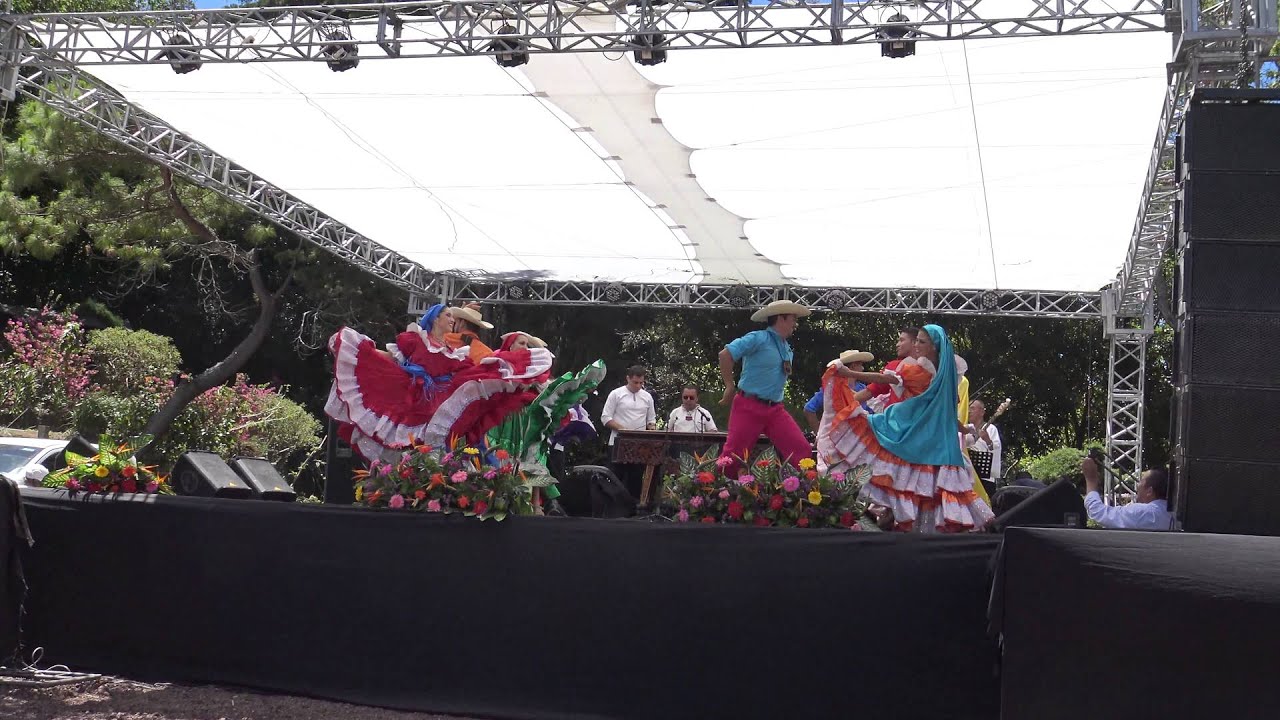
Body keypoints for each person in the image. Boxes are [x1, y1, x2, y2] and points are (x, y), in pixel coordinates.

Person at [817, 325, 993, 532]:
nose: (916, 345)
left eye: (921, 342)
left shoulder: (919, 371)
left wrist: (847, 372)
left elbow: (886, 379)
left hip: (911, 435)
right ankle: (920, 529)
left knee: (904, 481)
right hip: (934, 443)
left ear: (934, 347)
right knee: (924, 489)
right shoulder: (946, 378)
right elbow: (946, 415)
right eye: (916, 340)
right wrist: (966, 430)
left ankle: (896, 526)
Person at [324, 304, 552, 461]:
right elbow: (394, 358)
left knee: (439, 442)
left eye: (454, 317)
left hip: (441, 400)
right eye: (448, 316)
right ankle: (408, 484)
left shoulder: (456, 352)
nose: (453, 320)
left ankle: (432, 481)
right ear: (435, 318)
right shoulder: (417, 340)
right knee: (408, 444)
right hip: (416, 399)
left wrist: (498, 370)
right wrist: (364, 353)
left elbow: (470, 373)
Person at [716, 300, 813, 476]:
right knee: (732, 457)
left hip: (775, 409)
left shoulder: (786, 347)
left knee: (801, 450)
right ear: (781, 318)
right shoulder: (758, 338)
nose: (795, 323)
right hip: (748, 406)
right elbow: (725, 354)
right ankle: (714, 495)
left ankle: (801, 495)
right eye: (793, 318)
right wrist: (729, 385)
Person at [600, 366, 657, 498]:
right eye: (635, 382)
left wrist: (652, 430)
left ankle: (634, 510)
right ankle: (614, 508)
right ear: (628, 378)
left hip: (640, 444)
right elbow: (605, 417)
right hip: (618, 442)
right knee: (616, 477)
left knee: (636, 478)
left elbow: (651, 419)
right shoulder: (616, 394)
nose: (638, 386)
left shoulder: (647, 397)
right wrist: (623, 429)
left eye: (641, 383)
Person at [1080, 460, 1174, 530]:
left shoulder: (1144, 513)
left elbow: (1099, 512)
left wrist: (1091, 480)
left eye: (1141, 481)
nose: (1137, 485)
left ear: (1149, 491)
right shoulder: (1173, 514)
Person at [803, 350, 872, 432]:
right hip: (839, 436)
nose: (863, 368)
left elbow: (869, 411)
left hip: (858, 436)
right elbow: (809, 409)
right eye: (860, 364)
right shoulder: (831, 389)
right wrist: (818, 433)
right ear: (853, 366)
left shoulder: (862, 388)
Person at [862, 327, 921, 412]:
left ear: (914, 342)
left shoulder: (927, 368)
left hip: (896, 420)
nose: (897, 344)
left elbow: (872, 389)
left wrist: (849, 373)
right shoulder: (934, 368)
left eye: (901, 340)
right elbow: (873, 389)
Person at [963, 397, 1002, 482]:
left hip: (984, 478)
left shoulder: (991, 429)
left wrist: (987, 439)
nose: (969, 411)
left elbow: (995, 449)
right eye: (968, 408)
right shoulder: (964, 429)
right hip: (966, 477)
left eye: (972, 408)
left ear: (982, 412)